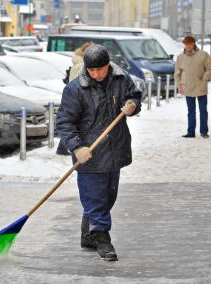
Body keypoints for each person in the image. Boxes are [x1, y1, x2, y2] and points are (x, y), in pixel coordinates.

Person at [56, 45, 142, 261]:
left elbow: (135, 95)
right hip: (89, 154)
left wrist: (133, 104)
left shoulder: (121, 79)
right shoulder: (75, 89)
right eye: (92, 70)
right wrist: (77, 147)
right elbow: (65, 122)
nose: (96, 74)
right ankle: (103, 240)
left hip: (115, 149)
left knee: (107, 198)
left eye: (100, 70)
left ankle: (88, 235)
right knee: (95, 199)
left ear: (108, 65)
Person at [174, 35, 211, 138]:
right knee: (190, 111)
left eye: (190, 44)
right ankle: (191, 132)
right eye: (186, 44)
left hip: (200, 86)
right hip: (187, 87)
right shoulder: (180, 57)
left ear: (194, 44)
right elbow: (177, 74)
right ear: (184, 45)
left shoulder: (203, 55)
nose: (188, 46)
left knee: (203, 111)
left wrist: (204, 78)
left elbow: (210, 67)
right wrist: (180, 86)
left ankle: (204, 131)